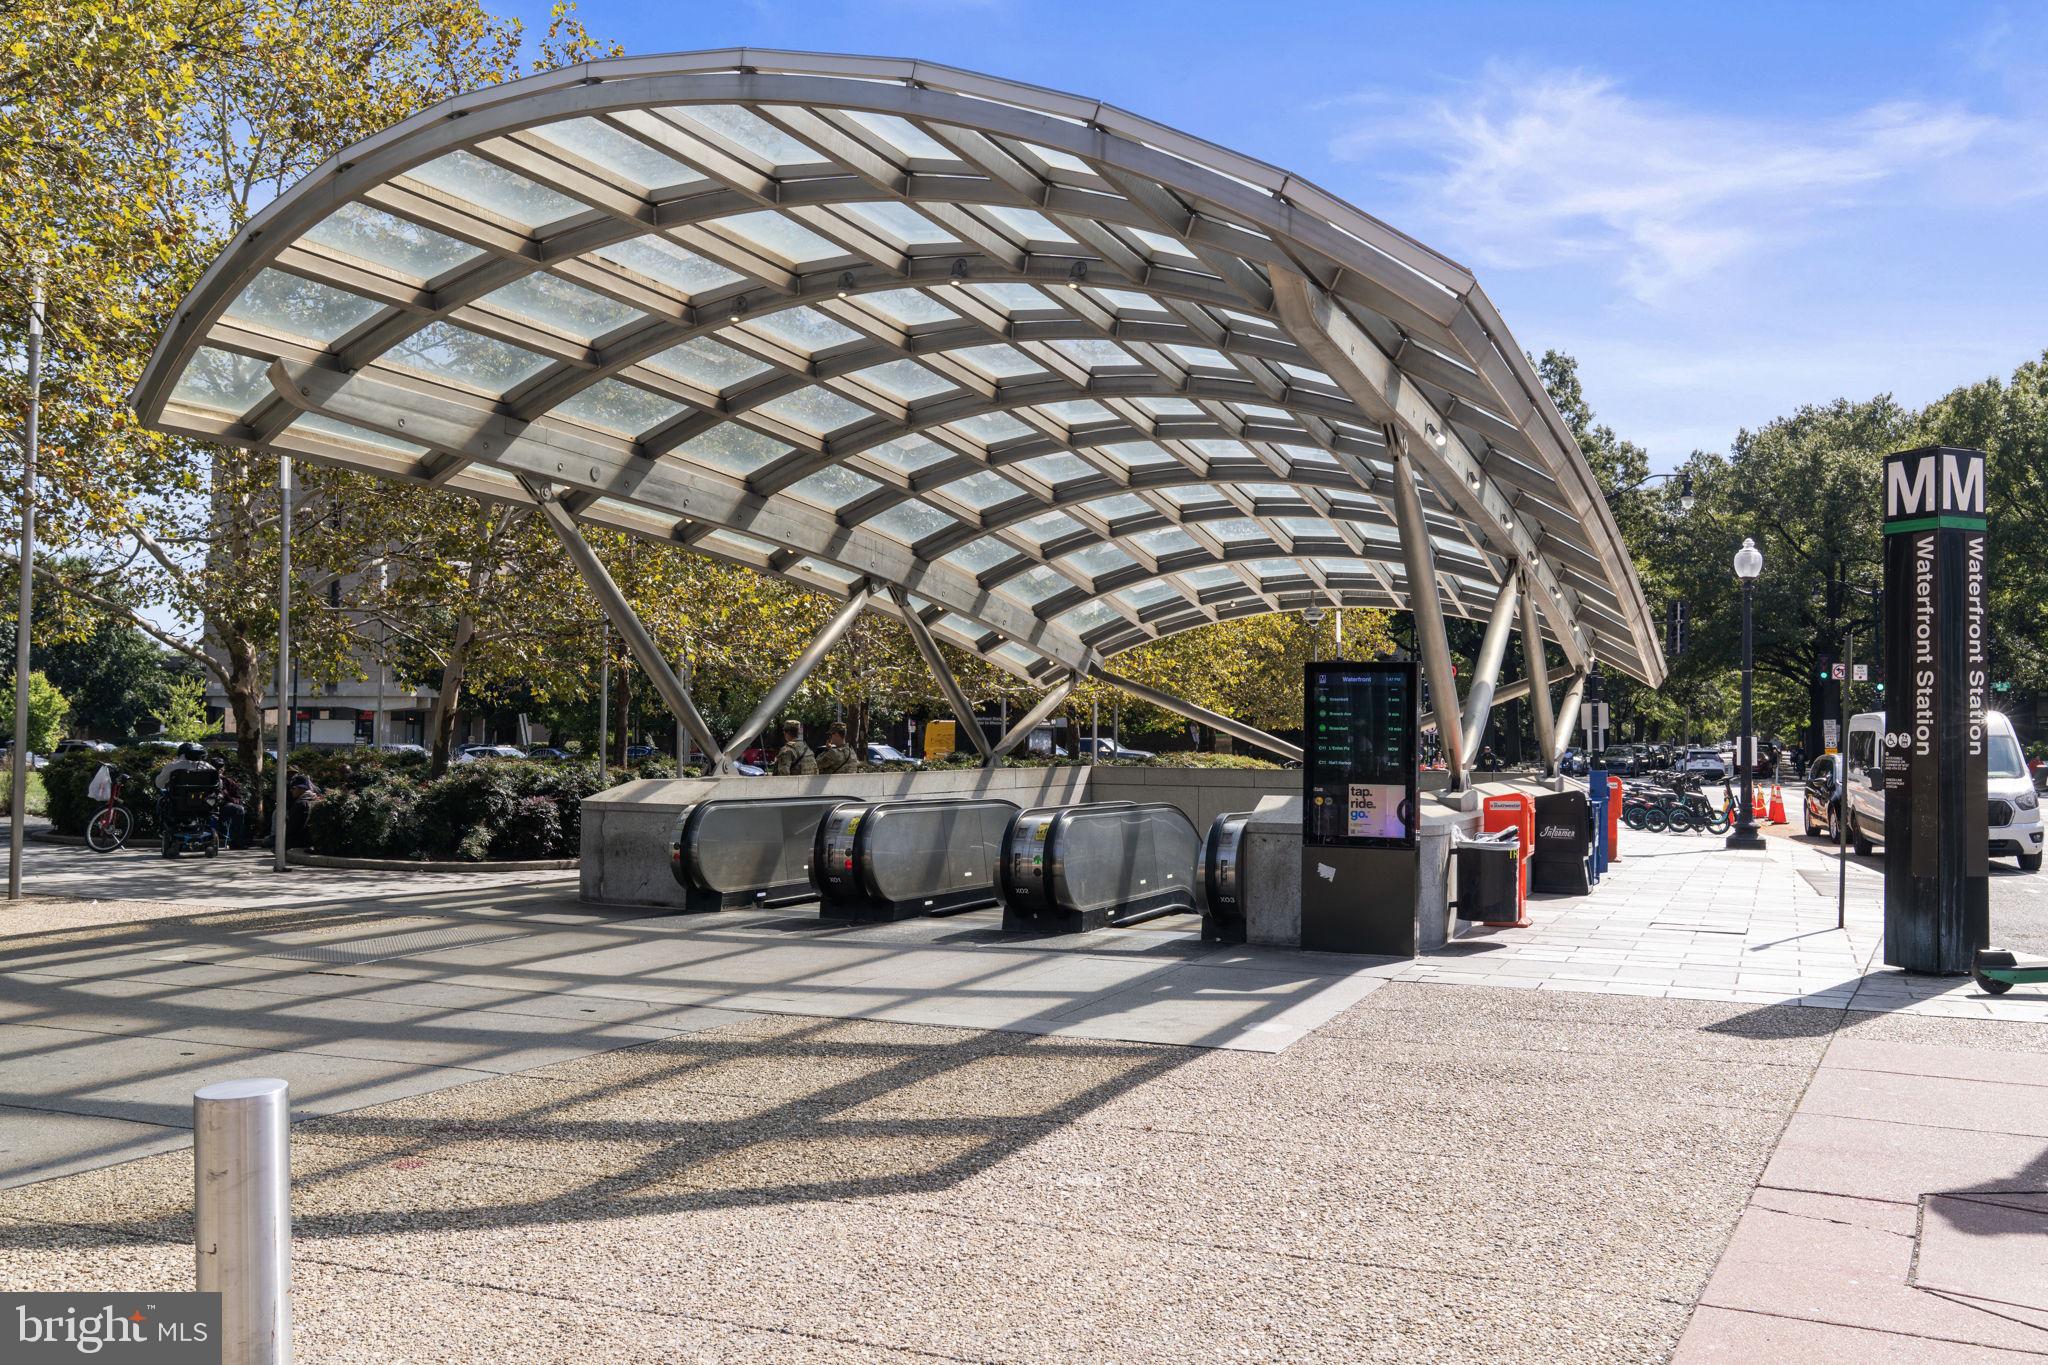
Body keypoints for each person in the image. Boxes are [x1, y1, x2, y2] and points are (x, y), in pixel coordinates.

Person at [153, 743, 217, 827]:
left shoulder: (173, 766)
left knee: (162, 797)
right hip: (203, 805)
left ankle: (163, 828)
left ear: (180, 753)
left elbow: (159, 784)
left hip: (178, 805)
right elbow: (218, 785)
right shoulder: (208, 767)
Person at [215, 761, 248, 849]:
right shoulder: (205, 778)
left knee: (239, 809)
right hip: (205, 806)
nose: (219, 769)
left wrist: (229, 799)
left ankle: (236, 842)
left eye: (221, 767)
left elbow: (238, 798)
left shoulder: (228, 782)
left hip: (222, 807)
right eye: (216, 767)